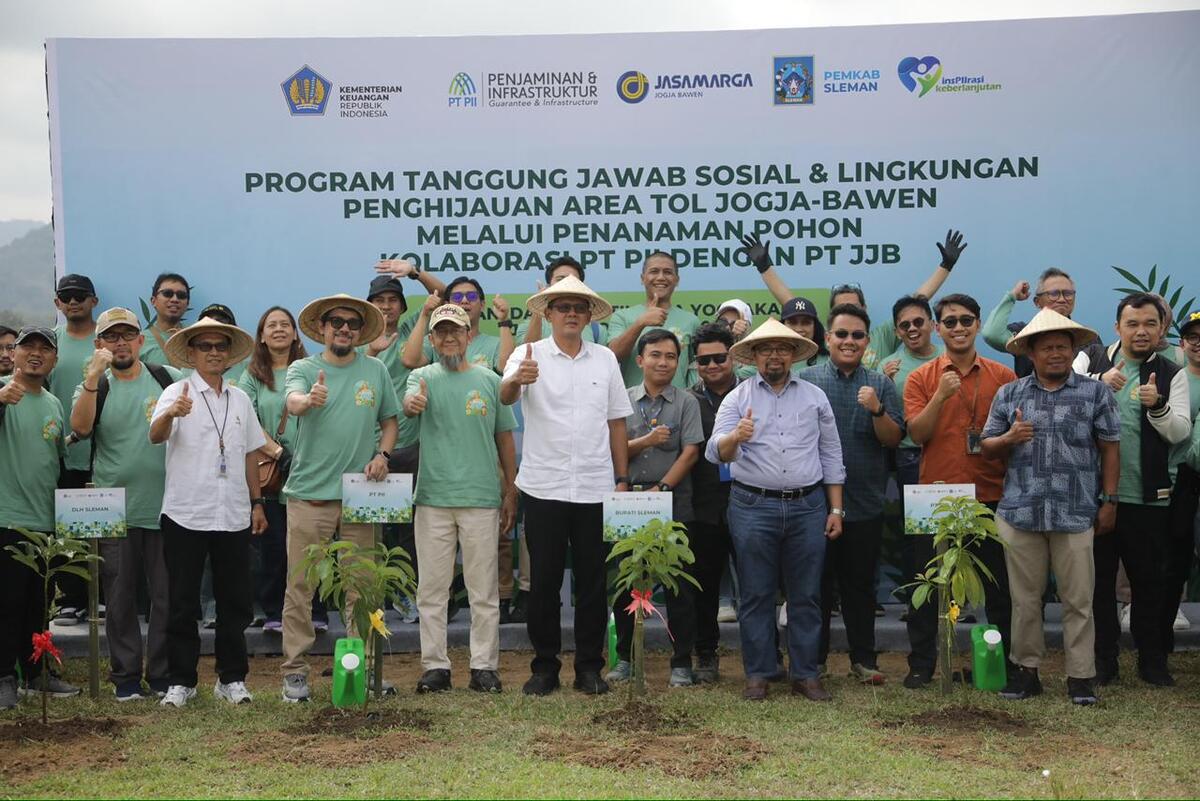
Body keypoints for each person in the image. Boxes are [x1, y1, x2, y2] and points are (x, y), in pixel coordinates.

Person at [500, 276, 632, 696]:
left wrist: (622, 479)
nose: (571, 313)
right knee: (543, 584)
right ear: (548, 313)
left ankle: (590, 668)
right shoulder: (527, 353)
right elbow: (504, 398)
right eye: (563, 307)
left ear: (589, 315)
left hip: (595, 486)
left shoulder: (605, 360)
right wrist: (517, 379)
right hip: (543, 486)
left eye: (579, 307)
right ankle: (544, 668)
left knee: (594, 583)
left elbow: (616, 422)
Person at [979, 309, 1120, 705]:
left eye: (1062, 346)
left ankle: (1080, 677)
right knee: (1024, 601)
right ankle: (1027, 673)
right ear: (1031, 352)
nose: (1055, 353)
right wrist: (1010, 437)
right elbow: (985, 447)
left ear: (1073, 349)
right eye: (1046, 348)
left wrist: (1109, 500)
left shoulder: (1096, 393)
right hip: (1020, 513)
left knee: (1079, 600)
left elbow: (1110, 448)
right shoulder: (1011, 393)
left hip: (1076, 513)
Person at [707, 319, 846, 702]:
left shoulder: (815, 396)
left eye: (782, 348)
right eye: (766, 349)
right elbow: (715, 451)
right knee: (755, 594)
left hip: (808, 506)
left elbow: (831, 454)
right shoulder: (737, 398)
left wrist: (836, 509)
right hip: (752, 505)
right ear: (753, 355)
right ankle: (759, 672)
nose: (774, 355)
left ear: (793, 354)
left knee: (806, 594)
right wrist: (737, 437)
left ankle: (805, 674)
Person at [280, 294, 401, 702]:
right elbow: (292, 400)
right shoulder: (304, 368)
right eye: (336, 321)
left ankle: (364, 668)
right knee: (301, 587)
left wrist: (382, 455)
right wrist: (307, 401)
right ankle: (295, 673)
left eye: (351, 322)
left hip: (359, 498)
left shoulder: (376, 370)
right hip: (310, 497)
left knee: (363, 588)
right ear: (323, 328)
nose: (344, 328)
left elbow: (389, 422)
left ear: (359, 330)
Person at [150, 319, 267, 707]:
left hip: (232, 513)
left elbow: (251, 453)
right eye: (205, 346)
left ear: (228, 354)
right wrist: (172, 414)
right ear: (193, 352)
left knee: (234, 602)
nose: (213, 352)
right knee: (183, 602)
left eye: (220, 346)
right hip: (186, 512)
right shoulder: (176, 391)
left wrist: (257, 502)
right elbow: (155, 435)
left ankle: (231, 678)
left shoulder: (241, 399)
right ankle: (181, 681)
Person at [902, 293, 1016, 689]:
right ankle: (922, 665)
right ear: (938, 329)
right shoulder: (922, 377)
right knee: (930, 584)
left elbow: (1012, 436)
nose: (958, 327)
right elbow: (917, 433)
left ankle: (1007, 664)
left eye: (966, 320)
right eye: (949, 321)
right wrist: (941, 395)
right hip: (934, 496)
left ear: (978, 324)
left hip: (990, 492)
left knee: (998, 586)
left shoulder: (1002, 376)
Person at [402, 304, 518, 694]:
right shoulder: (421, 377)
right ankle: (435, 666)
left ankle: (484, 666)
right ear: (432, 340)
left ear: (470, 336)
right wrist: (412, 404)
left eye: (456, 331)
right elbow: (408, 404)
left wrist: (510, 490)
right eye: (442, 332)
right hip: (433, 497)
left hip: (482, 497)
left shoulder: (489, 380)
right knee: (432, 590)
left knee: (483, 589)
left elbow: (505, 437)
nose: (449, 338)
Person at [70, 308, 181, 700]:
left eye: (126, 335)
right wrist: (89, 378)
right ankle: (127, 679)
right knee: (118, 598)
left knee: (166, 596)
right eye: (110, 337)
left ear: (140, 341)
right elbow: (80, 429)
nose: (119, 342)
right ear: (99, 344)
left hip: (167, 506)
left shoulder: (167, 379)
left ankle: (164, 676)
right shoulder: (95, 385)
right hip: (113, 508)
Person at [1086, 293, 1191, 686]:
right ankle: (1104, 663)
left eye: (1150, 323)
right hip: (1097, 497)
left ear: (1161, 328)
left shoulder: (1171, 372)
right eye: (1133, 324)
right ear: (1118, 327)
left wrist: (1158, 406)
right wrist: (1098, 382)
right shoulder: (1093, 361)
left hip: (1149, 498)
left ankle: (1152, 662)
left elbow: (1181, 431)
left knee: (1149, 584)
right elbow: (1065, 390)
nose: (1141, 331)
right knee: (1098, 586)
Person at [800, 304, 903, 685]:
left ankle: (864, 660)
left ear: (866, 342)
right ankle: (816, 659)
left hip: (864, 504)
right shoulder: (806, 382)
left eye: (857, 335)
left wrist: (877, 411)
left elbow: (894, 439)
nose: (849, 341)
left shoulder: (881, 384)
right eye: (841, 334)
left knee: (860, 587)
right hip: (812, 506)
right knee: (815, 587)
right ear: (826, 339)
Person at [606, 329, 704, 688]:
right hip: (627, 504)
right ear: (640, 360)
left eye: (670, 357)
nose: (663, 362)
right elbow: (613, 449)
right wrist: (646, 440)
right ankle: (627, 661)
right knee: (626, 587)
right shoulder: (622, 401)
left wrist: (661, 489)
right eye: (655, 355)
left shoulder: (687, 402)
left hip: (673, 506)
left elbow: (690, 452)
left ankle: (681, 663)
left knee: (677, 588)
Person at [739, 229, 968, 367]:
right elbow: (791, 305)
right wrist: (764, 267)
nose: (848, 316)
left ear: (865, 310)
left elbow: (915, 304)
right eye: (841, 310)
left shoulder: (881, 337)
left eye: (853, 308)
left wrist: (945, 266)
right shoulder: (823, 340)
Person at [0, 327, 81, 708]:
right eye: (27, 347)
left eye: (44, 349)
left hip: (45, 523)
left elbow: (56, 460)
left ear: (54, 359)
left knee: (38, 603)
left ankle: (36, 672)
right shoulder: (3, 390)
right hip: (7, 519)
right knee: (7, 602)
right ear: (13, 354)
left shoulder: (53, 404)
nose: (36, 354)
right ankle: (3, 677)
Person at [239, 306, 312, 634]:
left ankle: (315, 611)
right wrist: (279, 452)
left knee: (311, 546)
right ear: (262, 336)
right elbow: (247, 419)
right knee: (273, 546)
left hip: (311, 470)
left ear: (296, 333)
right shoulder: (252, 375)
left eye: (286, 324)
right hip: (272, 471)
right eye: (272, 325)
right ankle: (273, 612)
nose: (280, 329)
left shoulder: (311, 370)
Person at [880, 295, 944, 609]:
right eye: (905, 325)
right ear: (897, 331)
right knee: (917, 538)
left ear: (932, 324)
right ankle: (918, 606)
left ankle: (954, 603)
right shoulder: (888, 367)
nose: (912, 328)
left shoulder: (952, 355)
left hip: (951, 457)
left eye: (918, 322)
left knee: (952, 532)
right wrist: (885, 383)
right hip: (911, 459)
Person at [687, 323, 742, 682]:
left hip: (752, 502)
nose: (712, 366)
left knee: (758, 585)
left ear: (733, 356)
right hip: (704, 506)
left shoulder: (755, 393)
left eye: (719, 358)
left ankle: (765, 653)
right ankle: (706, 655)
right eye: (703, 360)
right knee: (704, 587)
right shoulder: (687, 401)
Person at [49, 273, 99, 624]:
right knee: (69, 528)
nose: (73, 301)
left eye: (80, 295)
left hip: (106, 452)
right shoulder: (48, 343)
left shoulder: (110, 338)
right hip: (63, 453)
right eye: (66, 296)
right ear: (57, 303)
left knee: (109, 528)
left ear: (93, 301)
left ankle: (107, 597)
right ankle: (72, 598)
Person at [981, 268, 1106, 376]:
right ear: (1037, 302)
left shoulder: (1085, 336)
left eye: (1068, 293)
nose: (1062, 299)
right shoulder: (1025, 333)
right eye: (1054, 294)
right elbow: (991, 334)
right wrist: (1012, 296)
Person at [607, 251, 700, 389]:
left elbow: (697, 366)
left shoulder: (691, 321)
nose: (661, 277)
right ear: (642, 278)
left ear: (677, 280)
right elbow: (612, 356)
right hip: (634, 405)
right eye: (654, 271)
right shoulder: (622, 317)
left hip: (677, 405)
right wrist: (641, 323)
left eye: (668, 272)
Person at [1164, 312, 1200, 649]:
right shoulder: (1174, 378)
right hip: (1181, 480)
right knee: (1176, 552)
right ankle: (1171, 610)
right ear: (1183, 343)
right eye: (1193, 337)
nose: (1199, 343)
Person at [401, 276, 515, 374]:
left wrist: (504, 320)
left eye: (471, 296)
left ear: (482, 305)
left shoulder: (495, 344)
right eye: (457, 297)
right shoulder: (436, 340)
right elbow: (410, 361)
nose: (464, 301)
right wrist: (425, 314)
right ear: (447, 305)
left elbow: (508, 369)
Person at [520, 256, 608, 346]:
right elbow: (527, 351)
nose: (567, 283)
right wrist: (540, 304)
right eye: (560, 279)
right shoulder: (527, 326)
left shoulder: (597, 330)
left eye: (573, 280)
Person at [140, 273, 191, 366]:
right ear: (153, 301)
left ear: (187, 303)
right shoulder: (140, 341)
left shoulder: (195, 336)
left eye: (181, 295)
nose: (175, 299)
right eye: (167, 293)